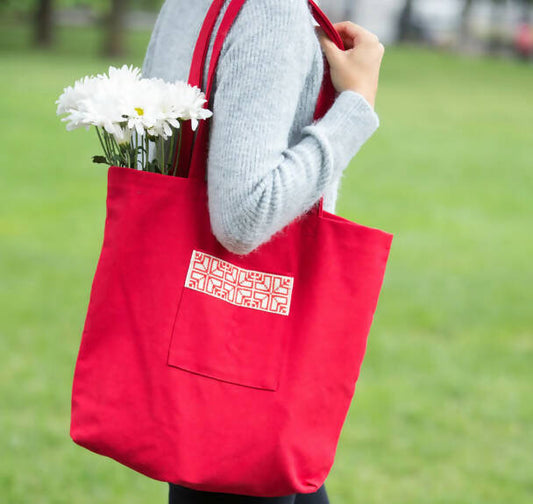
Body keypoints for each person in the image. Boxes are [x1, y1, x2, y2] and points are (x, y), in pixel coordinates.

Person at [142, 0, 384, 502]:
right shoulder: (270, 10)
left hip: (186, 329)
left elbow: (155, 159)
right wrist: (356, 106)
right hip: (241, 352)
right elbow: (244, 216)